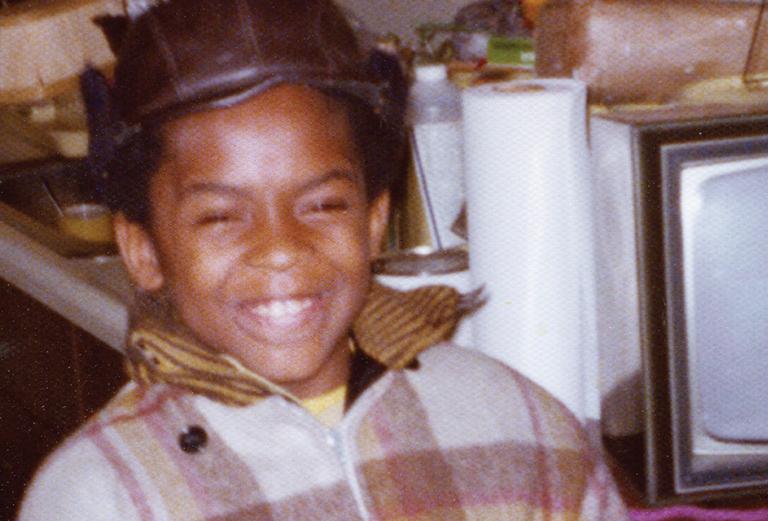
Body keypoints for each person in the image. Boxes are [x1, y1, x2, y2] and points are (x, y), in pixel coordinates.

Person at [18, 0, 628, 519]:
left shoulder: (514, 422)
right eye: (222, 217)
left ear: (373, 222)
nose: (281, 248)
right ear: (144, 252)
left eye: (321, 205)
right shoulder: (104, 495)